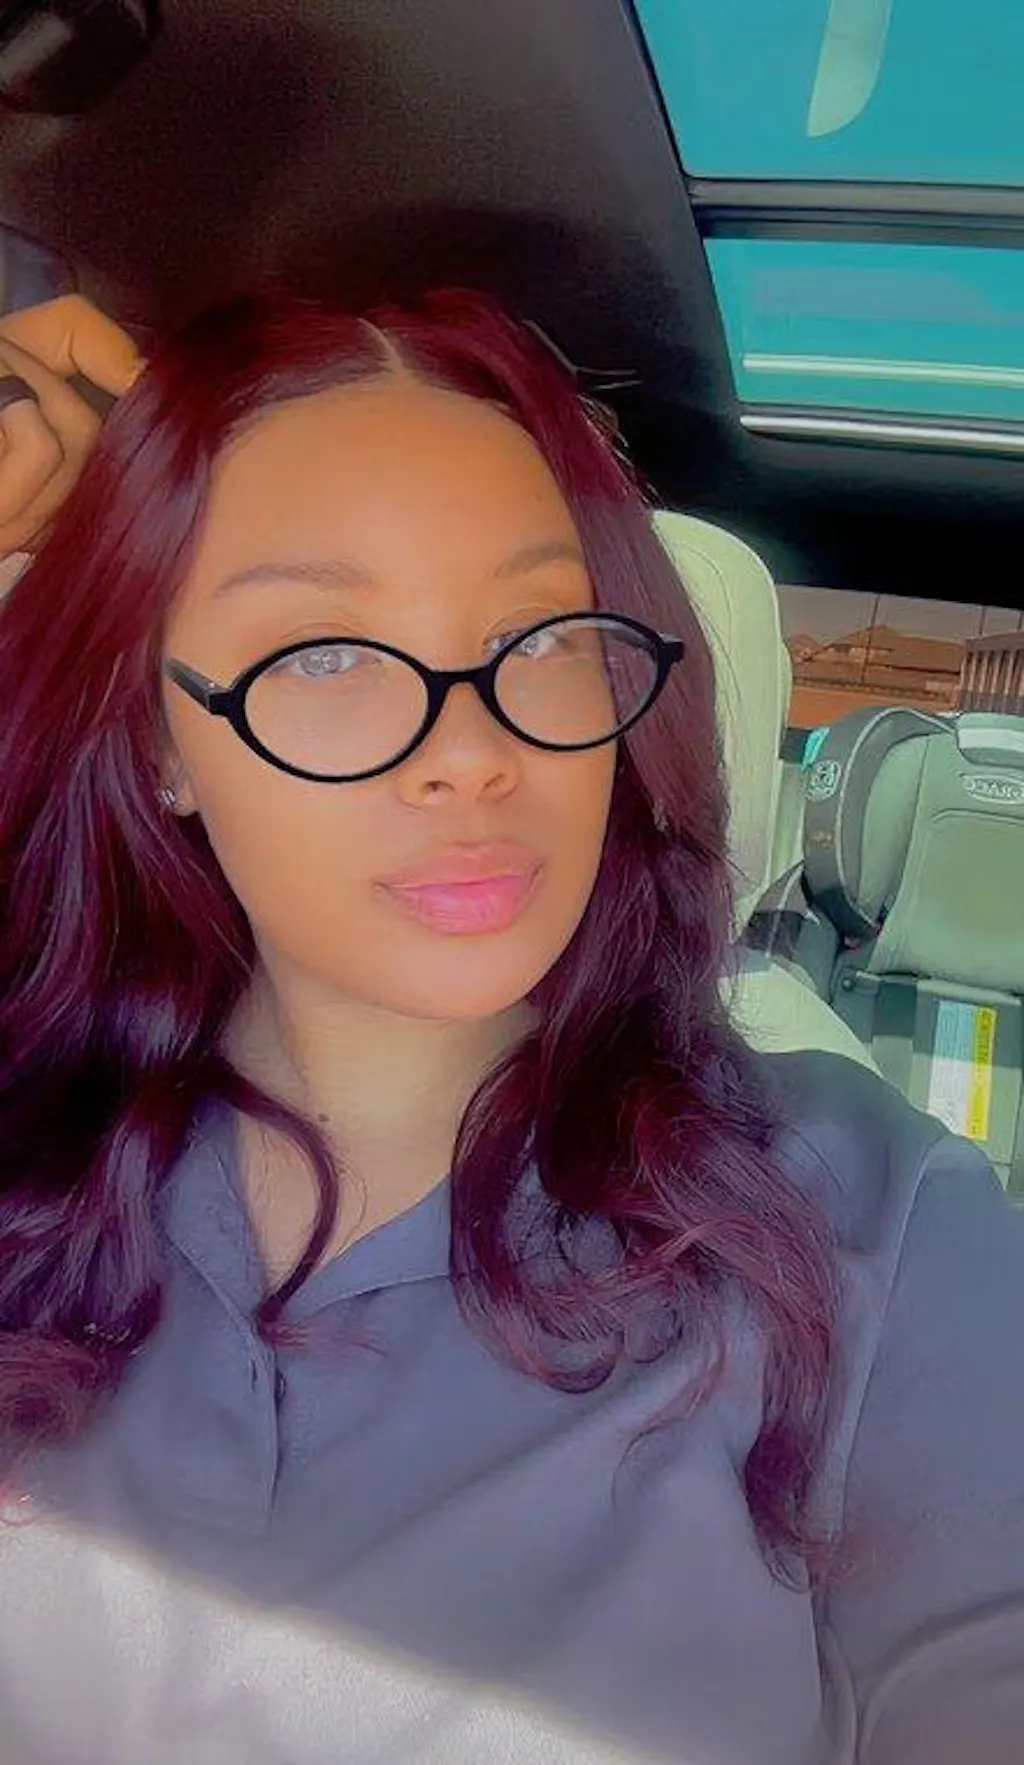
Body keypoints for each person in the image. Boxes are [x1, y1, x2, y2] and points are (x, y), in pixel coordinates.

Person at [0, 287, 1023, 1765]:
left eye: (542, 634)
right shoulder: (34, 1132)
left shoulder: (875, 1220)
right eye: (325, 654)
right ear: (159, 736)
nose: (472, 756)